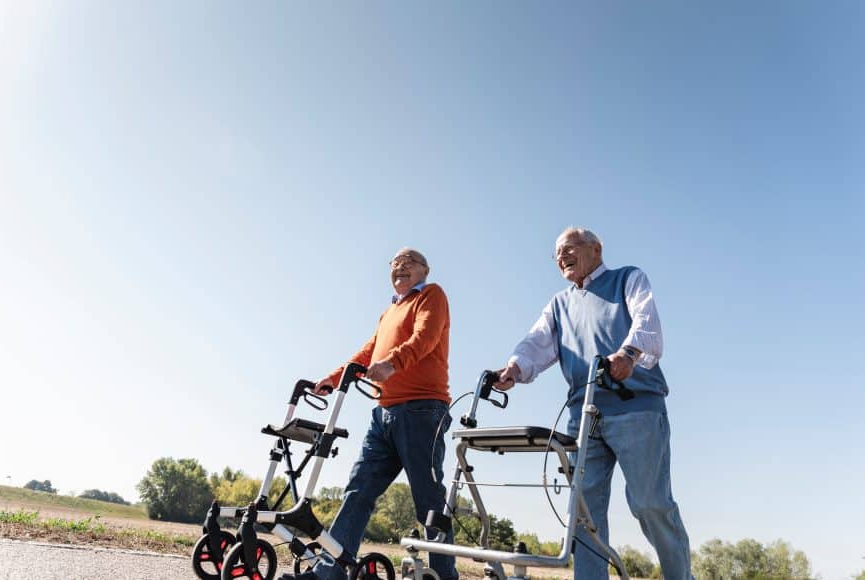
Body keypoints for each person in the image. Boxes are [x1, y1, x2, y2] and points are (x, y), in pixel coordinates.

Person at [494, 227, 692, 580]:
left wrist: (628, 354)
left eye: (568, 248)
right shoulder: (559, 304)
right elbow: (536, 344)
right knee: (583, 515)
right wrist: (514, 368)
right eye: (556, 254)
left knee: (650, 505)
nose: (561, 257)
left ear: (596, 248)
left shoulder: (627, 278)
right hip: (583, 416)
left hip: (636, 408)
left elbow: (647, 323)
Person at [287, 247, 458, 580]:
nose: (400, 268)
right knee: (358, 490)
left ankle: (443, 575)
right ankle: (328, 574)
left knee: (429, 500)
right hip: (383, 414)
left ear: (425, 270)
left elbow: (426, 337)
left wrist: (393, 363)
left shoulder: (432, 295)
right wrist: (333, 378)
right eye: (394, 265)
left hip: (422, 410)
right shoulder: (389, 311)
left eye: (409, 263)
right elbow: (367, 353)